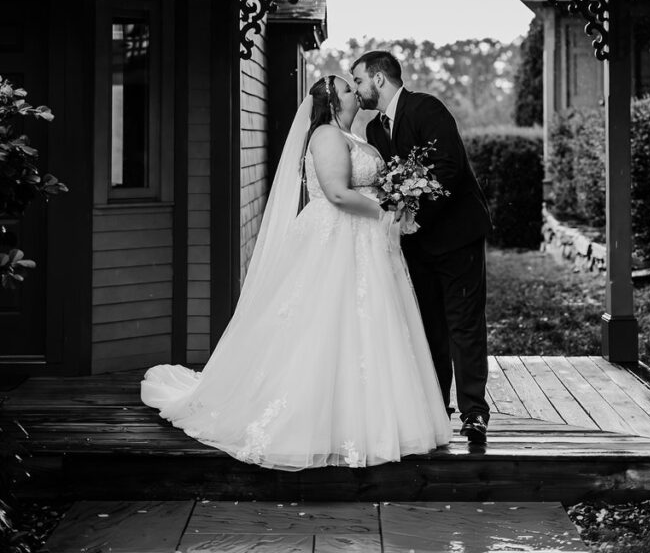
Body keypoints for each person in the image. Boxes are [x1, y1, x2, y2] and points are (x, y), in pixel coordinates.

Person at [141, 75, 451, 470]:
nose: (354, 91)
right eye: (345, 87)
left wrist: (398, 199)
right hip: (335, 240)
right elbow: (337, 193)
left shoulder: (361, 138)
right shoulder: (325, 136)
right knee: (322, 325)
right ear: (331, 100)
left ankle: (374, 420)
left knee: (370, 327)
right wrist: (388, 210)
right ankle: (313, 421)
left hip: (369, 244)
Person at [352, 50, 492, 445]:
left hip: (457, 236)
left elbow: (448, 168)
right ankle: (435, 407)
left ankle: (474, 414)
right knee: (429, 327)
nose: (358, 89)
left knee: (463, 323)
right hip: (415, 245)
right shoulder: (375, 131)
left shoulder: (427, 108)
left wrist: (414, 214)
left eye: (359, 80)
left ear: (379, 79)